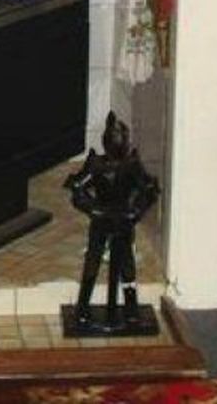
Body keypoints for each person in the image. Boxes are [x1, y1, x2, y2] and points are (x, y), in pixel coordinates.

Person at [63, 112, 160, 329]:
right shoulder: (96, 165)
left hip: (123, 220)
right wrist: (95, 209)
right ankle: (83, 306)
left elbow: (149, 190)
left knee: (127, 265)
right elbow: (77, 189)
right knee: (93, 262)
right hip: (102, 220)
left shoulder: (131, 165)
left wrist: (135, 211)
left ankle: (131, 307)